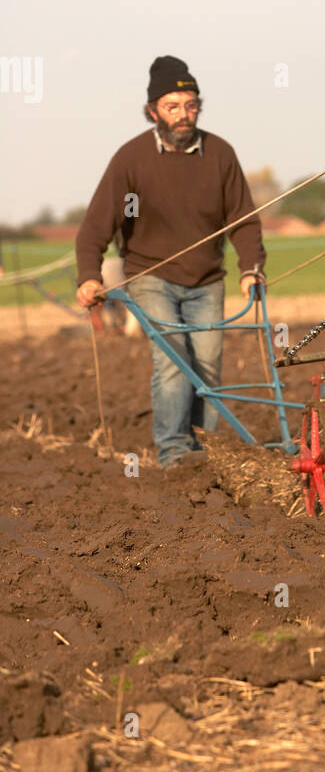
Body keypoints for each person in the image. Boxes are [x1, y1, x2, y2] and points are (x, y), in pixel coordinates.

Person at [75, 56, 266, 468]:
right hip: (150, 277)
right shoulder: (130, 159)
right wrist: (89, 276)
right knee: (175, 363)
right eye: (173, 106)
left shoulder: (220, 154)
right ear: (152, 111)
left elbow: (244, 220)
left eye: (191, 104)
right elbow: (95, 226)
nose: (184, 114)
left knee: (209, 367)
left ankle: (206, 450)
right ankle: (174, 452)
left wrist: (251, 268)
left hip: (208, 280)